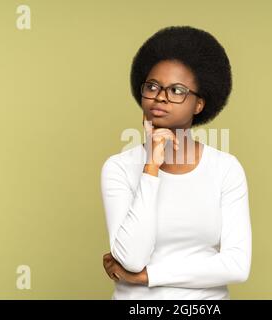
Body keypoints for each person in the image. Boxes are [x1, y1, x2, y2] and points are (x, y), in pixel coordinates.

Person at [100, 25, 252, 300]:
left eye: (177, 90)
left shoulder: (226, 169)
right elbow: (132, 259)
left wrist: (150, 277)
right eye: (153, 86)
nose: (161, 96)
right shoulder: (119, 168)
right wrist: (151, 167)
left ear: (199, 104)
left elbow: (237, 266)